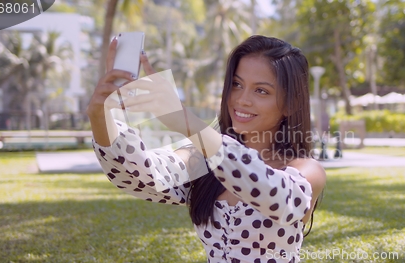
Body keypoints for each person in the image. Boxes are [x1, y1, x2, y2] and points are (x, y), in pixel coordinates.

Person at [87, 35, 326, 263]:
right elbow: (141, 175)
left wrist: (186, 121)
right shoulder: (202, 158)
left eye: (261, 90)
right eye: (236, 84)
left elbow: (274, 196)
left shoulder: (306, 170)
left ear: (290, 104)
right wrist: (100, 115)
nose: (241, 99)